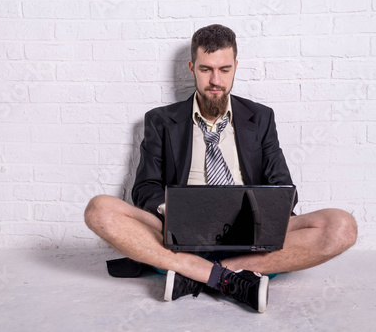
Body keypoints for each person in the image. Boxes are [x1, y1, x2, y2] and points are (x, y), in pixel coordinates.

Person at [84, 24, 357, 313]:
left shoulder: (261, 117)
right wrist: (172, 211)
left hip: (250, 233)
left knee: (341, 227)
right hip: (180, 234)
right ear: (191, 67)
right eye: (206, 69)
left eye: (224, 70)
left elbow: (283, 185)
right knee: (99, 209)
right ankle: (234, 280)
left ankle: (196, 275)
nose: (216, 80)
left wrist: (266, 214)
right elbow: (144, 188)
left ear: (236, 67)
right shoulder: (161, 120)